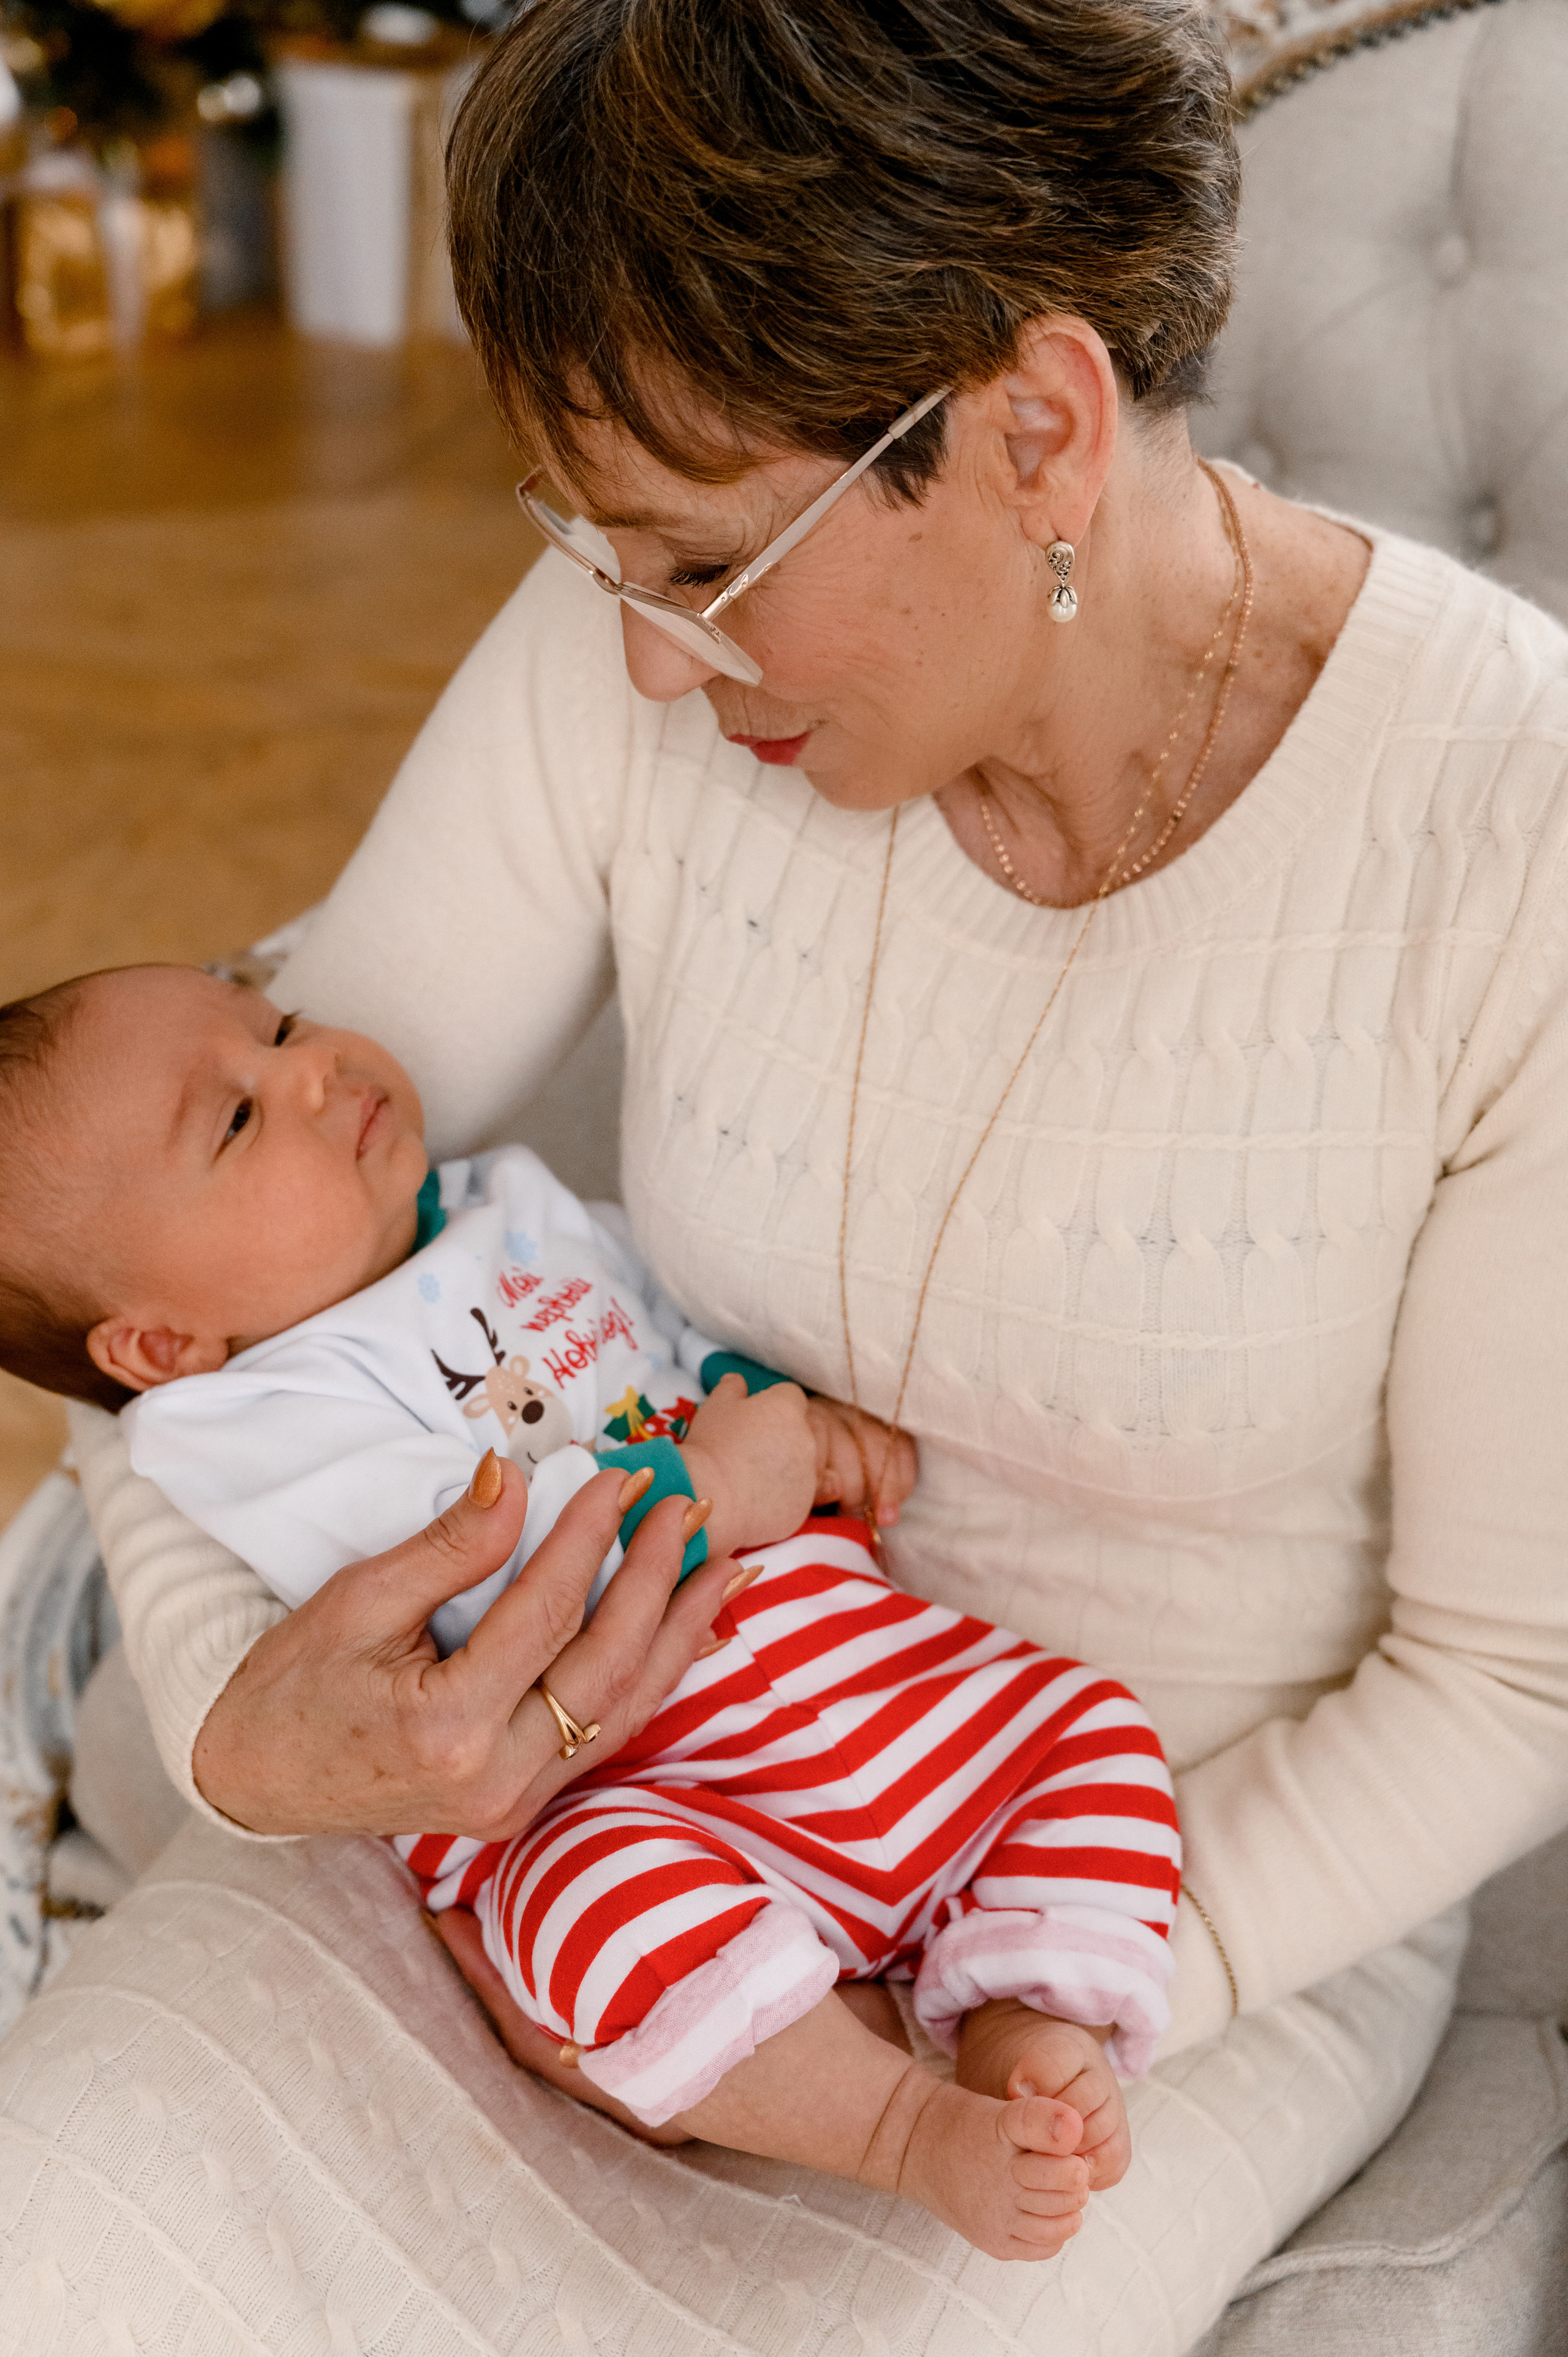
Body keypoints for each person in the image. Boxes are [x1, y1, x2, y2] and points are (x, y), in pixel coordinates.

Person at [17, 0, 1568, 2346]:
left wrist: (991, 2021)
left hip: (1106, 1916)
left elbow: (1508, 1673)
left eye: (702, 565)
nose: (642, 660)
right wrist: (261, 1726)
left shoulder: (1507, 835)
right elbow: (196, 1277)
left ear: (1033, 428)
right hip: (573, 1851)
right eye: (597, 552)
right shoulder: (634, 646)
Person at [0, 961, 1180, 2261]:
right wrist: (720, 1482)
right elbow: (493, 1574)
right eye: (234, 1120)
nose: (313, 1068)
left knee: (1087, 1728)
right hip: (645, 1783)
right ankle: (895, 2126)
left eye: (277, 1025)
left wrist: (790, 1418)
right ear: (158, 1347)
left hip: (863, 1671)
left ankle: (1024, 2010)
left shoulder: (502, 1206)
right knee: (584, 1915)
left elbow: (670, 1334)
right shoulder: (253, 1425)